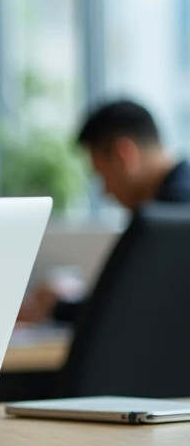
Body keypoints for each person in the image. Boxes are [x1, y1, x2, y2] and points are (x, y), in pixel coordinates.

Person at [17, 99, 190, 323]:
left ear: (123, 155)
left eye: (102, 175)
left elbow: (133, 308)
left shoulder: (169, 217)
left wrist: (56, 307)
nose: (105, 191)